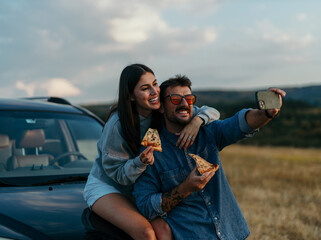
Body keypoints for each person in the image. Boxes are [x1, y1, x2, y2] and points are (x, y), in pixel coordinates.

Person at [133, 75, 286, 240]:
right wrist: (185, 189)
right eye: (175, 99)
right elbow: (146, 206)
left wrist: (266, 114)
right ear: (161, 107)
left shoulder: (208, 132)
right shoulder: (150, 151)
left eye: (189, 99)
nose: (184, 104)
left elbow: (239, 124)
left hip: (232, 233)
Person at [83, 64, 220, 240]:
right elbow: (116, 174)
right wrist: (140, 163)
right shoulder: (117, 124)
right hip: (108, 186)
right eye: (145, 88)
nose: (155, 92)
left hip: (139, 189)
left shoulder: (161, 110)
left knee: (164, 231)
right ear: (131, 96)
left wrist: (197, 121)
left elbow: (212, 111)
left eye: (155, 84)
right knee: (146, 233)